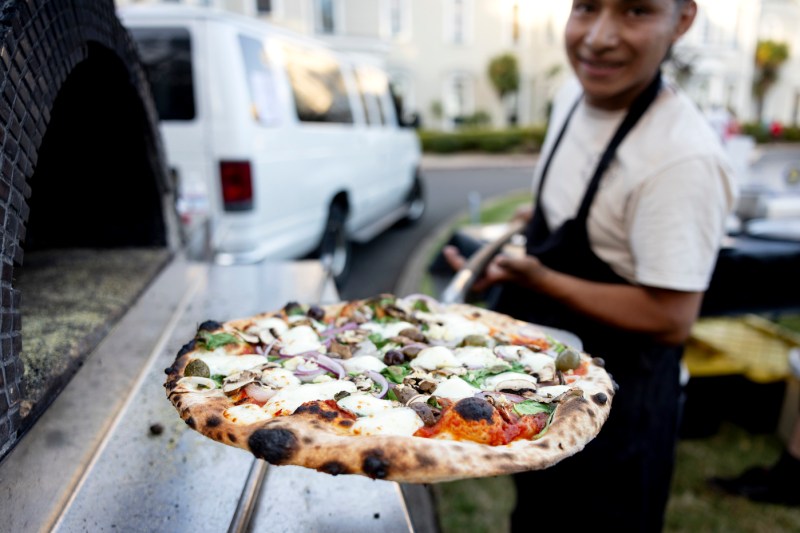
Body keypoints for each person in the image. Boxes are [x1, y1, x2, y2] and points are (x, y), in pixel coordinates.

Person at [443, 1, 737, 532]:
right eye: (586, 7)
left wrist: (542, 277)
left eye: (635, 11)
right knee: (535, 514)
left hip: (619, 413)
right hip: (543, 383)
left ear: (683, 20)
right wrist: (520, 240)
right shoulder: (571, 95)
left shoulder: (682, 159)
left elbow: (672, 316)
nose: (598, 38)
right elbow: (568, 211)